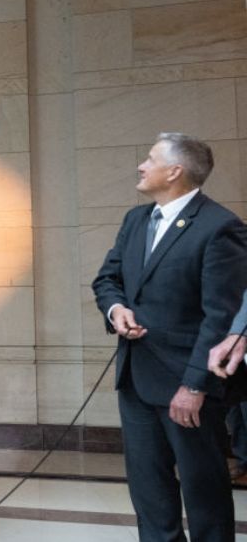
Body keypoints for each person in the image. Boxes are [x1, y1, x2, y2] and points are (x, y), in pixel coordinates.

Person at [92, 132, 247, 541]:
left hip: (188, 386)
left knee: (204, 492)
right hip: (136, 381)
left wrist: (195, 385)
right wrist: (117, 310)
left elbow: (222, 317)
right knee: (149, 492)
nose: (142, 166)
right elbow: (107, 279)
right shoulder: (135, 220)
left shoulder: (220, 227)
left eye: (150, 158)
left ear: (175, 171)